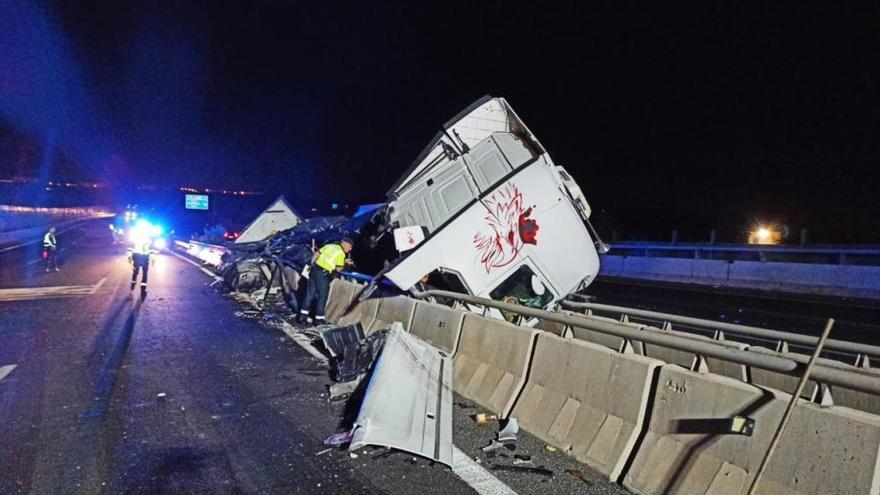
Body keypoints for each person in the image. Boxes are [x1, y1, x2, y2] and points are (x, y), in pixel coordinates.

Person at [297, 237, 353, 325]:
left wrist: (312, 265)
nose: (350, 249)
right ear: (346, 244)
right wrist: (345, 263)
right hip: (323, 275)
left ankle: (302, 316)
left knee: (310, 294)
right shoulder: (341, 253)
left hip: (314, 270)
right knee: (322, 297)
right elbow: (338, 269)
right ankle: (319, 320)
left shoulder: (329, 246)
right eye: (350, 247)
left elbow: (316, 254)